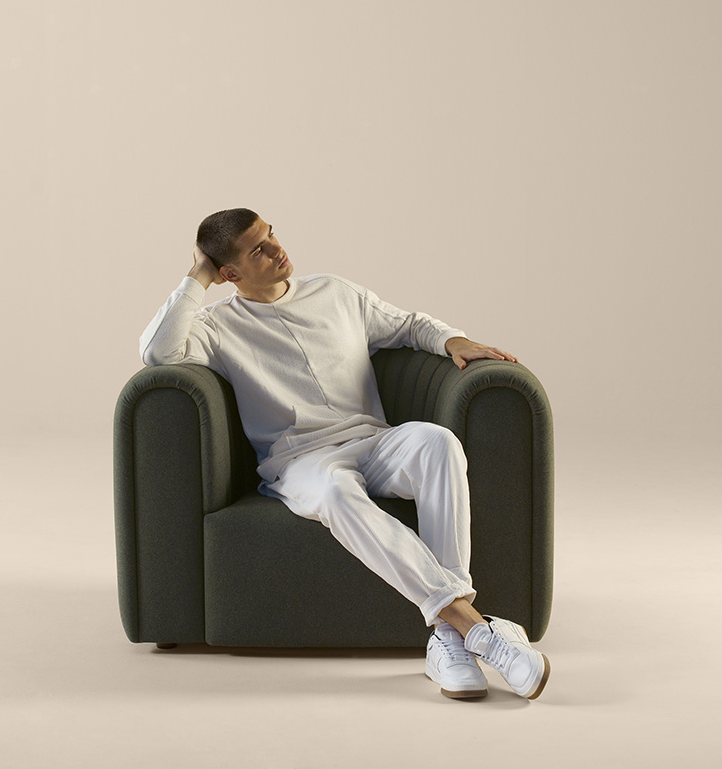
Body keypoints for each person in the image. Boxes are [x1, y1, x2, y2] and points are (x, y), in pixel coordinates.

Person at [139, 208, 550, 700]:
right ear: (229, 273)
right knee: (335, 491)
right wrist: (197, 275)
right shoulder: (217, 326)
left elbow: (407, 325)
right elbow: (158, 352)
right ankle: (475, 631)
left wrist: (451, 339)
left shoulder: (334, 292)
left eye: (271, 235)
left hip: (373, 441)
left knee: (436, 442)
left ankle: (450, 636)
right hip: (301, 461)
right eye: (258, 251)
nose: (277, 250)